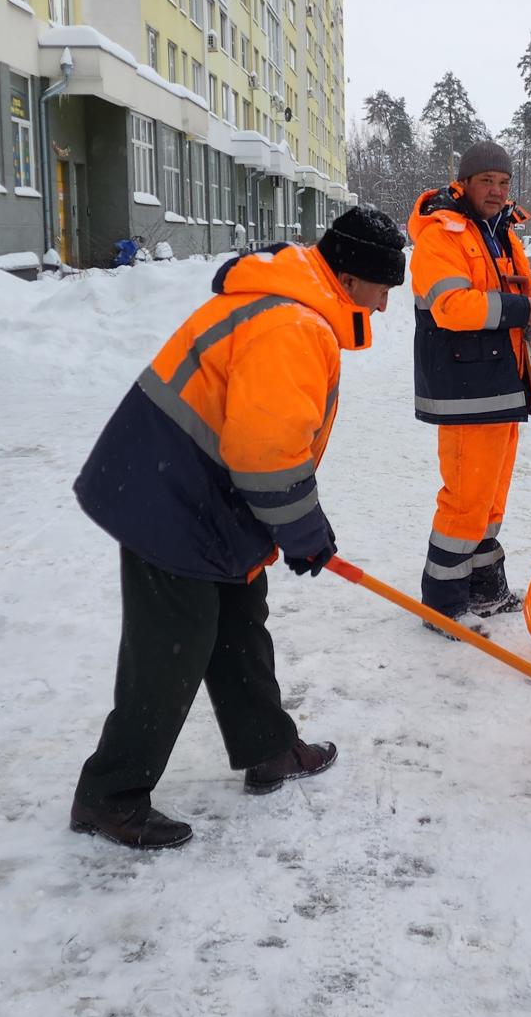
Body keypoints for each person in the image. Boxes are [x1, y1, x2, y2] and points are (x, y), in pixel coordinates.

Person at [68, 206, 408, 850]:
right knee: (173, 647)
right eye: (383, 288)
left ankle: (267, 748)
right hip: (169, 496)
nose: (386, 305)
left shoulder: (294, 303)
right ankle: (109, 794)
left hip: (202, 489)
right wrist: (304, 532)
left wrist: (295, 528)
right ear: (350, 278)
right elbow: (267, 452)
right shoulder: (292, 324)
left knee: (239, 619)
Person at [408, 142, 531, 624]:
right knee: (465, 500)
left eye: (504, 182)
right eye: (487, 182)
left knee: (490, 499)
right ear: (464, 183)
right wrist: (523, 309)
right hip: (466, 387)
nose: (497, 191)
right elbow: (453, 306)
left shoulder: (499, 233)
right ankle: (444, 604)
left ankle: (484, 590)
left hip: (502, 381)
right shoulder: (442, 235)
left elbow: (503, 288)